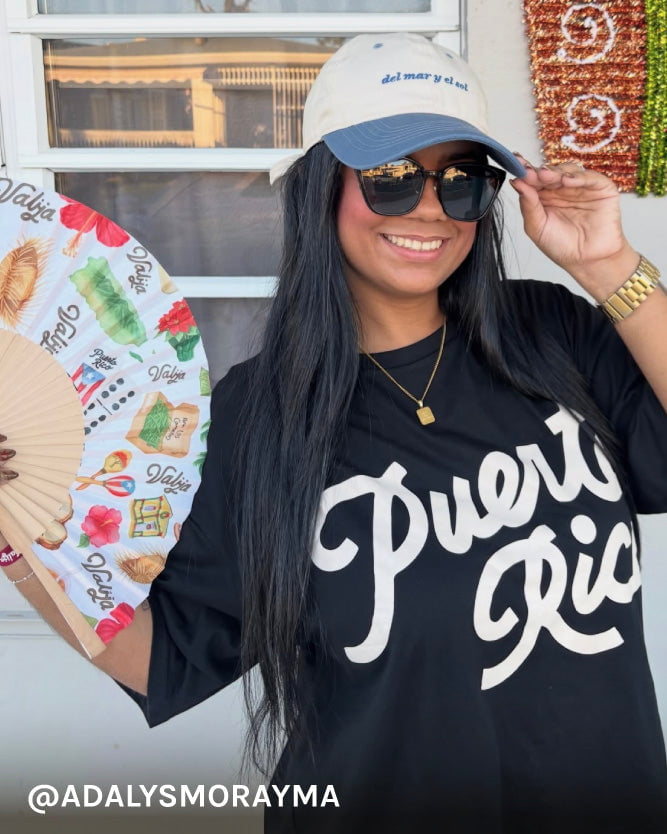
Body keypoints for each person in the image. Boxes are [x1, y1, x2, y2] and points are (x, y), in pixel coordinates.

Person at [3, 31, 667, 833]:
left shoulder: (554, 335)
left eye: (461, 181)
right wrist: (21, 530)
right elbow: (162, 656)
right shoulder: (258, 416)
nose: (428, 207)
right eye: (388, 178)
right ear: (321, 186)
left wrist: (607, 267)